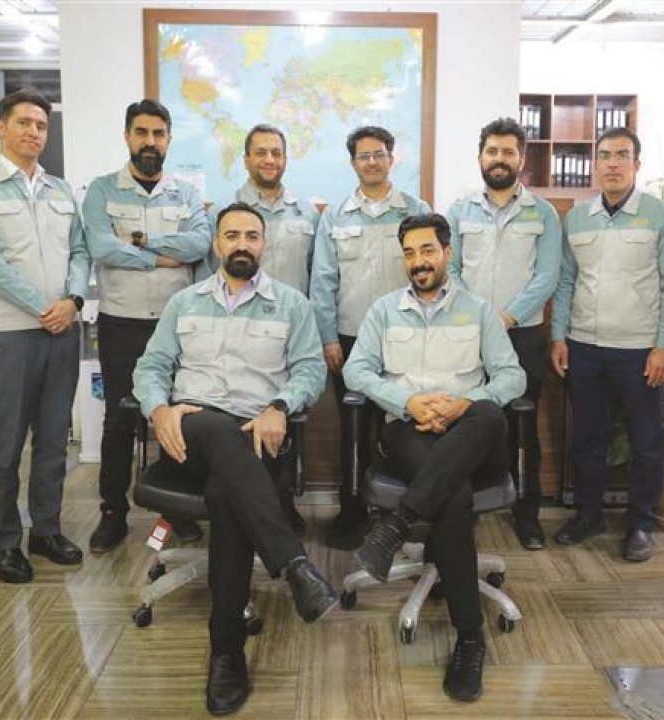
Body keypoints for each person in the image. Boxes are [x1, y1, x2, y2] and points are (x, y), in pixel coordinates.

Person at [132, 202, 337, 715]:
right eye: (232, 235)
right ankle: (294, 565)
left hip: (256, 439)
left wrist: (280, 406)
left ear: (263, 244)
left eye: (251, 235)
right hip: (189, 436)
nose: (241, 243)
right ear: (217, 244)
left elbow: (310, 371)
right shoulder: (184, 303)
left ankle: (226, 653)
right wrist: (158, 408)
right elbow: (151, 366)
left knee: (228, 496)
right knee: (212, 426)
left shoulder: (290, 304)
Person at [343, 213, 525, 703]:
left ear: (447, 253)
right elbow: (357, 372)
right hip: (409, 430)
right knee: (453, 496)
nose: (418, 261)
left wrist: (463, 404)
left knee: (488, 414)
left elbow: (513, 377)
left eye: (427, 250)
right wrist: (408, 402)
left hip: (471, 431)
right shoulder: (384, 310)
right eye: (409, 253)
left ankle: (396, 525)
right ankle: (471, 638)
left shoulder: (479, 311)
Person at [0, 88, 91, 584]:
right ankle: (4, 541)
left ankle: (46, 530)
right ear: (1, 127)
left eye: (41, 125)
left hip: (62, 331)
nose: (34, 132)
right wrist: (42, 307)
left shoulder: (60, 190)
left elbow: (80, 251)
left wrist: (73, 300)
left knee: (54, 439)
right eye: (24, 123)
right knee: (7, 442)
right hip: (10, 334)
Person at [549, 127, 664, 562]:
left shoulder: (661, 216)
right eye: (605, 155)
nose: (612, 163)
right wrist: (558, 335)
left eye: (622, 155)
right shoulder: (577, 218)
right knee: (587, 438)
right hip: (584, 347)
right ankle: (588, 515)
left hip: (640, 350)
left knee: (646, 441)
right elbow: (567, 281)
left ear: (636, 164)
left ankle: (640, 524)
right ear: (595, 164)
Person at [82, 99, 212, 554]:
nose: (150, 142)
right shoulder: (102, 191)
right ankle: (112, 513)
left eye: (158, 134)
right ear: (127, 137)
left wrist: (137, 242)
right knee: (120, 420)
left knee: (179, 418)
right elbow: (102, 247)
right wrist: (161, 257)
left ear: (169, 139)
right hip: (122, 323)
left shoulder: (187, 194)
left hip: (178, 327)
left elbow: (199, 244)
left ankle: (178, 509)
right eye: (141, 132)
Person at [309, 125, 431, 549]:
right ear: (353, 163)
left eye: (380, 154)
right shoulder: (335, 216)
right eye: (364, 156)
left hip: (405, 338)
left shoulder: (416, 211)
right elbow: (323, 282)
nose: (373, 162)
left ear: (391, 159)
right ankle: (353, 513)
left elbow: (431, 275)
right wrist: (328, 338)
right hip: (350, 339)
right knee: (355, 429)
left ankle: (399, 517)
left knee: (402, 427)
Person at [447, 117, 561, 550]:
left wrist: (507, 317)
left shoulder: (543, 213)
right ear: (480, 157)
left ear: (521, 158)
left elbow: (547, 276)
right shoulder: (459, 211)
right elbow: (451, 270)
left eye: (508, 152)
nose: (499, 159)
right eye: (492, 151)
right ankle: (469, 508)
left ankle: (527, 513)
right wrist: (477, 317)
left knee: (522, 423)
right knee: (470, 421)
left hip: (522, 337)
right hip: (468, 336)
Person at [215, 123, 320, 295]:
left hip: (293, 311)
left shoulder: (308, 213)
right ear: (246, 161)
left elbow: (317, 276)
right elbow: (208, 275)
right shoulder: (221, 212)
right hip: (238, 311)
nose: (269, 160)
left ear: (285, 161)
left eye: (276, 154)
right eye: (261, 153)